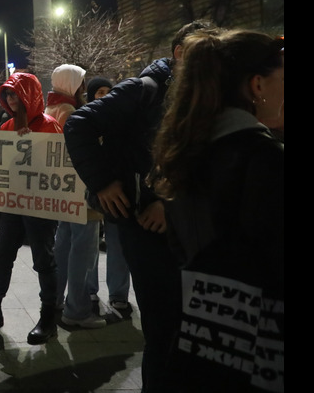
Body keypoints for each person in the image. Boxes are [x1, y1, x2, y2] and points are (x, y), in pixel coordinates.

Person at [64, 20, 214, 392]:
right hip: (144, 226)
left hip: (181, 223)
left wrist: (172, 203)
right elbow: (79, 124)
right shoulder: (143, 90)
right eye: (204, 57)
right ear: (180, 54)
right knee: (164, 329)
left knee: (185, 326)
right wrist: (102, 183)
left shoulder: (201, 96)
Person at [150, 30, 284, 392]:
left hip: (199, 347)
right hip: (261, 353)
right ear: (257, 85)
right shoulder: (266, 160)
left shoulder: (183, 155)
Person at [0, 72, 62, 345]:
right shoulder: (6, 127)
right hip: (13, 204)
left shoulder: (50, 127)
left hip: (41, 207)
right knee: (3, 255)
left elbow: (58, 168)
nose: (11, 99)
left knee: (43, 259)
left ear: (30, 95)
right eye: (8, 95)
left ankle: (48, 318)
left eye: (16, 94)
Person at [45, 64, 107, 330]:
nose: (84, 87)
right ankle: (78, 310)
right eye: (81, 82)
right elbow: (84, 150)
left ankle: (56, 299)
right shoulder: (70, 111)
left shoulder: (51, 108)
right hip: (81, 189)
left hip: (63, 191)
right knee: (84, 249)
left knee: (64, 245)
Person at [82, 76, 133, 316]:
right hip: (92, 192)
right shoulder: (84, 121)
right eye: (99, 92)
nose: (104, 96)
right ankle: (90, 290)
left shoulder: (122, 120)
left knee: (118, 244)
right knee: (90, 244)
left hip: (116, 192)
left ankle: (119, 294)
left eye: (107, 91)